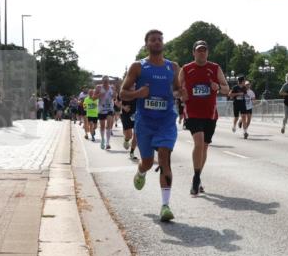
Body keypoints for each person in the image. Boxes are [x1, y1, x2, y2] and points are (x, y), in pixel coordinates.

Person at [121, 29, 184, 222]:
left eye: (160, 39)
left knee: (165, 157)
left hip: (166, 120)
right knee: (148, 162)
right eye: (153, 40)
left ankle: (165, 205)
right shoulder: (138, 67)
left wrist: (181, 94)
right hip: (145, 122)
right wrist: (138, 93)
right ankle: (141, 172)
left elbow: (179, 90)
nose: (157, 42)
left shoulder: (172, 67)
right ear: (147, 44)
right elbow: (123, 93)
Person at [179, 40, 229, 196]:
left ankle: (198, 177)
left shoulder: (215, 68)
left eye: (204, 50)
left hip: (210, 114)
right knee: (199, 142)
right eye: (199, 50)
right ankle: (195, 179)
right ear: (193, 52)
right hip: (192, 112)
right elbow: (175, 89)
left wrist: (218, 87)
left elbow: (227, 89)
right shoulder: (186, 69)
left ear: (207, 52)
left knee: (204, 147)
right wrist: (181, 94)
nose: (202, 53)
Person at [97, 76, 115, 149]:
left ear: (109, 81)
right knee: (102, 126)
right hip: (101, 109)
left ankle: (108, 143)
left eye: (107, 81)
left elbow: (115, 97)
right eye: (104, 81)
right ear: (102, 81)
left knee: (109, 125)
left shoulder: (111, 88)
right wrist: (99, 95)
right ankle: (102, 140)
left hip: (109, 109)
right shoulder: (99, 88)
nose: (106, 82)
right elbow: (93, 97)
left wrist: (114, 92)